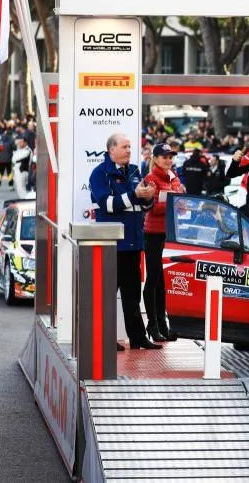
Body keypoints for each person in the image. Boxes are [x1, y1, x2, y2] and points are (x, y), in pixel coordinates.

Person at [89, 133, 160, 351]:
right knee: (108, 294)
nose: (129, 150)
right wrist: (134, 195)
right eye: (125, 147)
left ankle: (138, 338)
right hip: (112, 244)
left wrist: (148, 198)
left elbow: (141, 205)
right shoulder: (99, 173)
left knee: (132, 295)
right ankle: (104, 338)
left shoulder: (135, 171)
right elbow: (107, 204)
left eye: (130, 147)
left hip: (133, 242)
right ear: (111, 150)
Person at [142, 143, 184, 343]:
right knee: (153, 280)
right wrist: (174, 201)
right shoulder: (151, 178)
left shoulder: (173, 177)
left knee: (162, 281)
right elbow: (152, 207)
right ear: (156, 159)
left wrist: (178, 201)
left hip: (168, 234)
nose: (168, 160)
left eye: (170, 157)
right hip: (153, 234)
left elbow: (181, 206)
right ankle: (152, 324)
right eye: (165, 157)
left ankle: (162, 325)